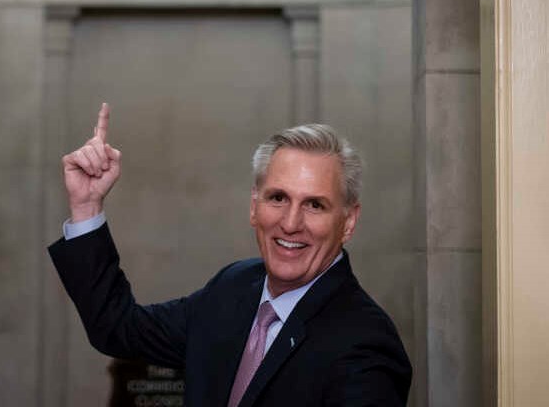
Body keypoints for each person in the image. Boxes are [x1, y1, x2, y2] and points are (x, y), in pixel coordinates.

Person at [48, 103, 411, 406]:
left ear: (348, 222)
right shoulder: (233, 286)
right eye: (278, 198)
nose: (290, 223)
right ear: (254, 207)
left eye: (314, 205)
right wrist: (86, 205)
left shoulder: (365, 344)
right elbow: (119, 329)